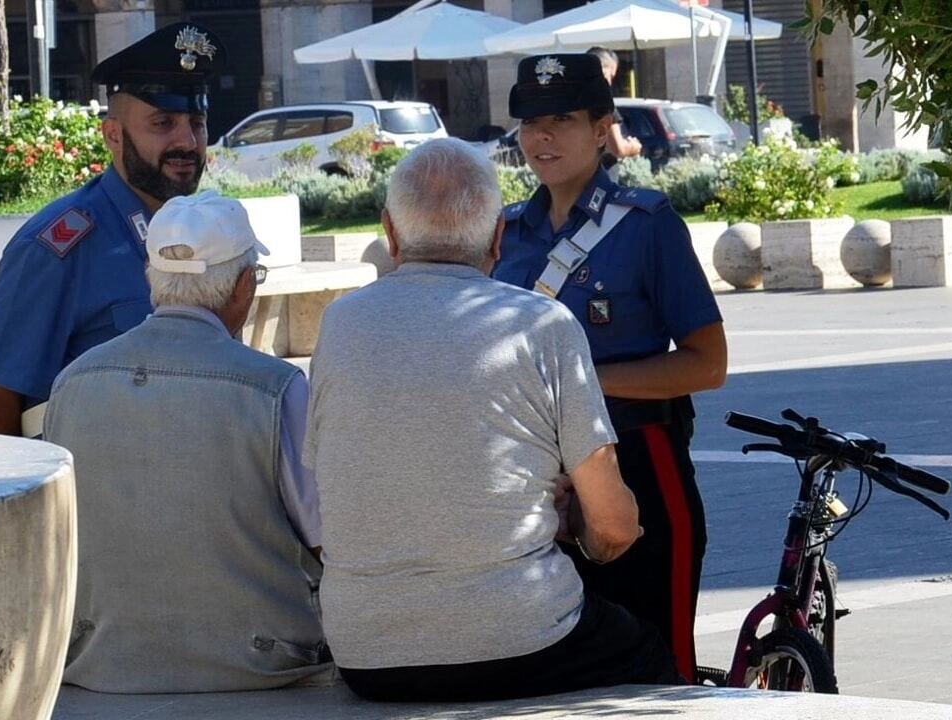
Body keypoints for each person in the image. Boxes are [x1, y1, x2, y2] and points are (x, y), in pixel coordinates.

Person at [305, 137, 682, 702]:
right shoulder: (540, 324)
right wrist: (578, 529)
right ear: (498, 237)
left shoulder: (339, 325)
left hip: (366, 650)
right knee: (651, 659)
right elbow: (613, 526)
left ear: (389, 230)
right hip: (519, 638)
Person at [493, 53, 728, 684]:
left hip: (640, 461)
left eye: (562, 119)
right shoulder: (504, 234)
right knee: (555, 672)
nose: (541, 136)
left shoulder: (648, 226)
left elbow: (708, 365)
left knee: (658, 667)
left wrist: (582, 388)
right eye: (530, 121)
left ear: (603, 129)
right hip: (535, 481)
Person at [45, 190, 334, 693]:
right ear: (244, 285)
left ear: (152, 278)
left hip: (102, 663)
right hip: (260, 662)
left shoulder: (73, 381)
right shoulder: (277, 388)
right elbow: (327, 536)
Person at [0, 22, 224, 437]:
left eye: (197, 121)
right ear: (113, 134)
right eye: (162, 124)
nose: (188, 142)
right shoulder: (57, 247)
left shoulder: (207, 231)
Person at [586, 47, 642, 170]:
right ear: (603, 70)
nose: (610, 82)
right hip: (600, 174)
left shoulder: (570, 103)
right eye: (611, 75)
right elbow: (617, 148)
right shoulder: (603, 104)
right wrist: (633, 146)